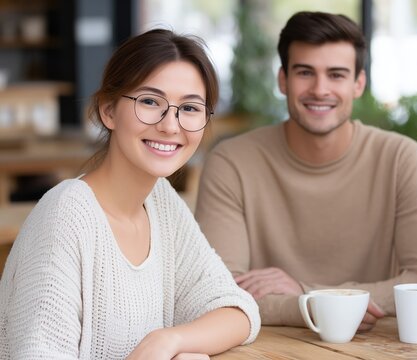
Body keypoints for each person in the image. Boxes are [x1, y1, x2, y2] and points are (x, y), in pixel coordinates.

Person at [0, 29, 260, 359]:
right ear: (108, 111)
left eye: (190, 108)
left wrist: (169, 341)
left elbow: (237, 310)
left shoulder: (161, 203)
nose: (170, 125)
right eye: (150, 102)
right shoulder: (66, 215)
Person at [195, 11, 417, 330]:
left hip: (372, 347)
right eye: (305, 72)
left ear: (358, 83)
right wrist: (315, 309)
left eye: (336, 75)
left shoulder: (399, 157)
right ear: (283, 79)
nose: (320, 89)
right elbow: (220, 292)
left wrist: (311, 296)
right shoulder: (232, 162)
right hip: (266, 348)